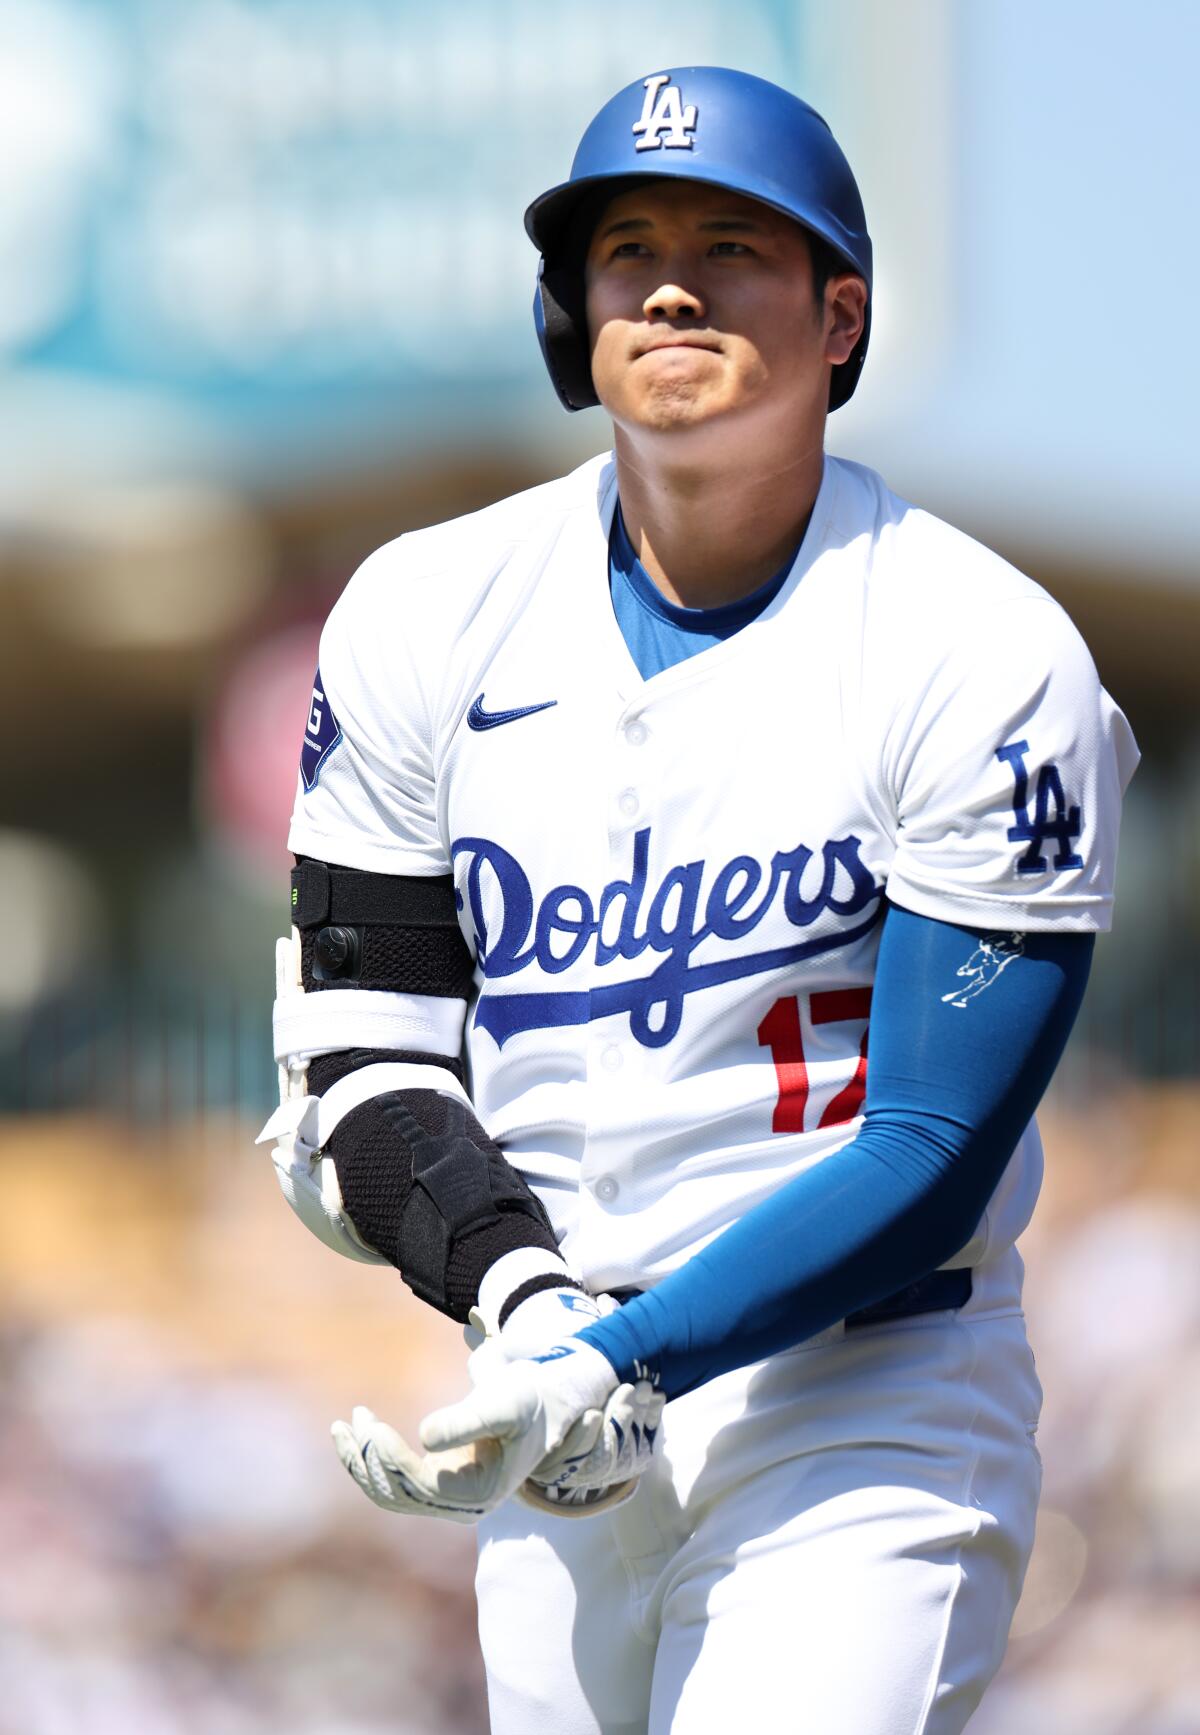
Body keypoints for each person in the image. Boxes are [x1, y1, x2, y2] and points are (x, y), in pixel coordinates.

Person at [261, 68, 1138, 1734]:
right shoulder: (424, 613)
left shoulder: (977, 646)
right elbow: (362, 1067)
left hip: (863, 1388)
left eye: (734, 246)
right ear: (566, 317)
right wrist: (525, 1304)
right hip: (552, 1391)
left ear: (839, 315)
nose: (669, 285)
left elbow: (936, 1157)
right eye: (626, 249)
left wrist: (623, 1354)